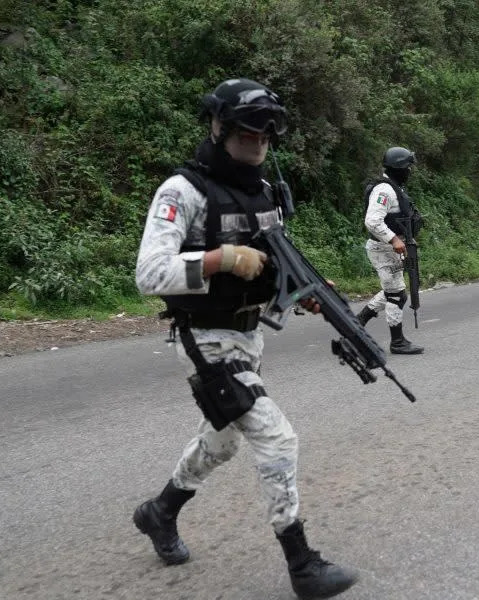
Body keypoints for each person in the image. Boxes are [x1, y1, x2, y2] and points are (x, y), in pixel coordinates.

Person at [133, 77, 357, 600]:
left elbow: (274, 261)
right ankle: (303, 564)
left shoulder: (264, 192)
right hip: (206, 336)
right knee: (277, 438)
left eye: (264, 137)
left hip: (249, 334)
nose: (256, 145)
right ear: (218, 128)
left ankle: (159, 512)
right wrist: (219, 259)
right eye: (245, 135)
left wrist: (301, 289)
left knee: (225, 439)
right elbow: (149, 274)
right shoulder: (182, 191)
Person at [354, 146, 424, 354]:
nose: (410, 171)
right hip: (382, 248)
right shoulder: (384, 190)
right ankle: (397, 341)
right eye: (408, 167)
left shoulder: (394, 188)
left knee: (393, 291)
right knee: (397, 294)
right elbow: (372, 220)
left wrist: (405, 240)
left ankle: (357, 322)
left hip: (391, 248)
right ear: (399, 168)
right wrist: (394, 239)